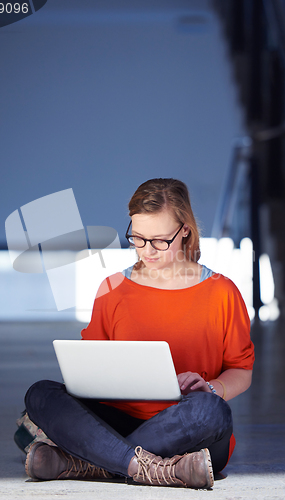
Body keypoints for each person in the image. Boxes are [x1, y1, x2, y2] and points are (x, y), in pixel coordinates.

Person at [23, 178, 255, 489]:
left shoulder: (222, 292)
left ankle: (90, 462)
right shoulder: (112, 290)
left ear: (185, 229)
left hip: (187, 425)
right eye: (139, 238)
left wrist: (212, 388)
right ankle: (150, 468)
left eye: (160, 240)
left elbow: (241, 370)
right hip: (118, 421)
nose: (148, 251)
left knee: (212, 412)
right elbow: (88, 369)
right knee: (41, 394)